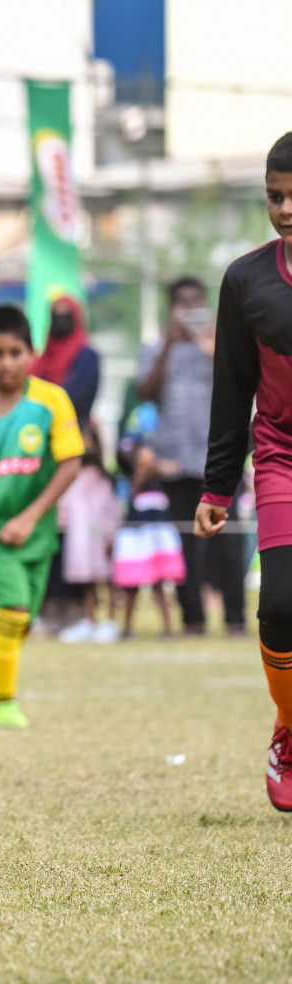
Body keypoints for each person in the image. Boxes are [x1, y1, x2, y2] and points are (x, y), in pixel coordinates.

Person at [194, 131, 292, 812]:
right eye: (275, 196)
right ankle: (289, 729)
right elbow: (231, 389)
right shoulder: (246, 278)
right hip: (281, 456)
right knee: (281, 606)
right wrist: (216, 485)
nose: (285, 208)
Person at [0, 306, 83, 729]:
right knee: (14, 614)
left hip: (38, 533)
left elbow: (70, 463)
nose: (6, 363)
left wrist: (31, 516)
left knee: (19, 626)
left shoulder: (51, 400)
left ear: (32, 352)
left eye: (15, 352)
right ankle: (3, 702)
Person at [138, 276, 247, 636]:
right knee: (185, 546)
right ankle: (193, 620)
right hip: (176, 464)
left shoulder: (223, 344)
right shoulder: (156, 349)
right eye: (181, 304)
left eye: (195, 302)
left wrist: (213, 347)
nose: (188, 310)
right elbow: (145, 392)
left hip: (220, 461)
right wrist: (169, 345)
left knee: (229, 545)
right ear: (171, 308)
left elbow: (244, 386)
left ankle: (235, 619)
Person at [114, 402, 184, 637]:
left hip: (157, 532)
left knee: (160, 584)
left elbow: (174, 468)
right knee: (131, 585)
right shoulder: (134, 477)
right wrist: (144, 471)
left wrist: (155, 467)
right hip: (136, 531)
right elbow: (132, 491)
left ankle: (167, 627)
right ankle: (126, 627)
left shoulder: (161, 475)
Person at [56, 424, 121, 643]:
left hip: (102, 535)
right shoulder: (72, 475)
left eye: (89, 441)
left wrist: (111, 535)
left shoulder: (104, 477)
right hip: (80, 536)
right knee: (88, 582)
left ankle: (111, 621)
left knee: (109, 580)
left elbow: (113, 508)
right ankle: (90, 620)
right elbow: (64, 505)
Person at [31, 295, 100, 426]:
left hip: (73, 428)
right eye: (56, 316)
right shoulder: (45, 357)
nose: (60, 321)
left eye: (65, 316)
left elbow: (78, 396)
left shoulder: (86, 356)